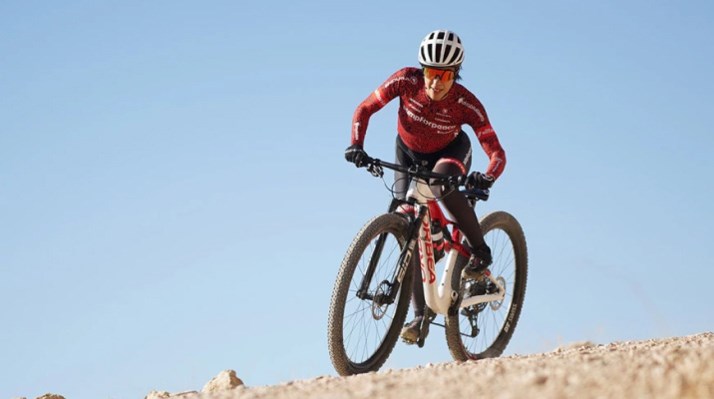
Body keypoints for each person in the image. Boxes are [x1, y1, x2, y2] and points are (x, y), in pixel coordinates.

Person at [344, 30, 506, 344]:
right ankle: (419, 317)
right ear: (423, 70)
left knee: (439, 184)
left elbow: (496, 151)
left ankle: (480, 252)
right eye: (431, 73)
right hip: (407, 153)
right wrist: (356, 145)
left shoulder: (465, 103)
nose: (435, 82)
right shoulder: (406, 81)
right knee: (408, 221)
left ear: (455, 75)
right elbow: (365, 109)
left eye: (444, 75)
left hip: (450, 155)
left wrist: (487, 176)